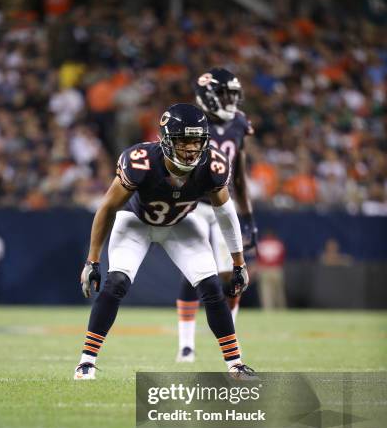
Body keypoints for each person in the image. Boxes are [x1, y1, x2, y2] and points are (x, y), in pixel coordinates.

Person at [74, 103, 254, 380]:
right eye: (184, 141)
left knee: (211, 285)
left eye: (197, 141)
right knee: (116, 282)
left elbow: (227, 214)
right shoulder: (140, 161)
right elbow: (108, 207)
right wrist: (92, 259)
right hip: (136, 223)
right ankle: (86, 361)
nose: (192, 149)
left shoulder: (213, 165)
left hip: (180, 224)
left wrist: (238, 262)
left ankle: (235, 364)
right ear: (167, 140)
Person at [175, 68, 258, 363]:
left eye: (232, 94)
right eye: (224, 94)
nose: (230, 100)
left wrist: (247, 216)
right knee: (195, 271)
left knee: (233, 274)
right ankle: (186, 346)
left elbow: (240, 176)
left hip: (224, 204)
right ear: (208, 96)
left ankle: (229, 336)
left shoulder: (239, 123)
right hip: (194, 204)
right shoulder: (194, 122)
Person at [257, 231, 286, 310]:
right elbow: (282, 258)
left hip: (265, 270)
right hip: (276, 269)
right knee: (279, 293)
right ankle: (281, 310)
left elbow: (259, 258)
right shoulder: (278, 243)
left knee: (266, 293)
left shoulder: (262, 243)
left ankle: (268, 310)